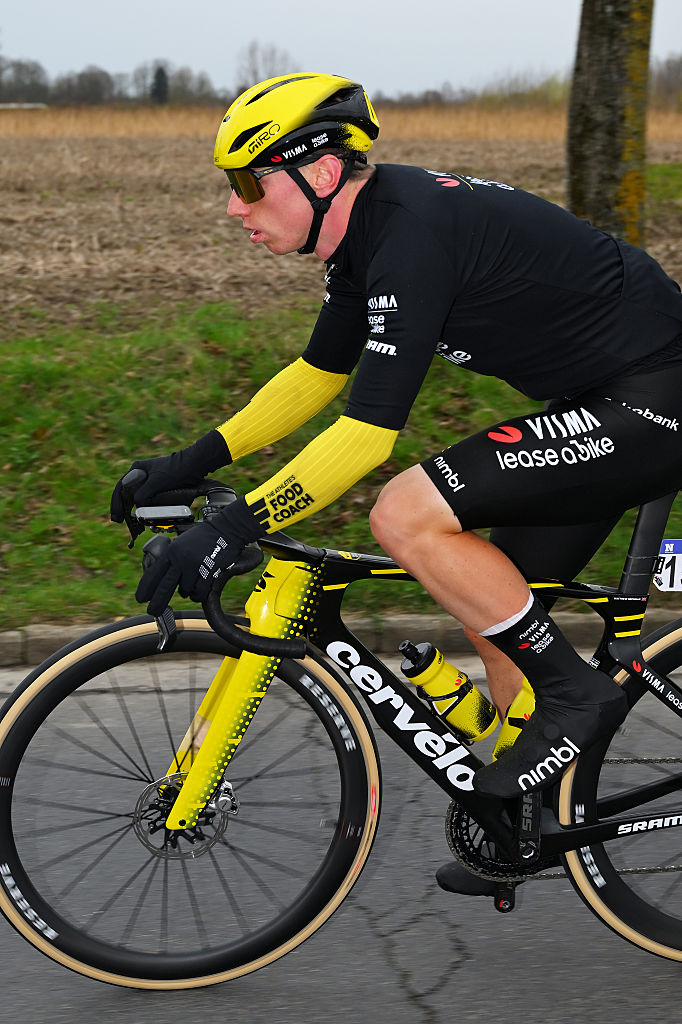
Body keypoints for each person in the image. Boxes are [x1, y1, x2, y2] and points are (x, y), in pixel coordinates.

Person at [111, 72, 682, 897]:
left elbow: (366, 435)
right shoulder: (366, 240)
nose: (234, 209)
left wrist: (233, 529)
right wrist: (190, 463)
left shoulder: (410, 234)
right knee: (495, 603)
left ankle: (579, 702)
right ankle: (522, 825)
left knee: (407, 513)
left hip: (655, 397)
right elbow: (316, 377)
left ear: (320, 172)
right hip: (603, 400)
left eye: (247, 183)